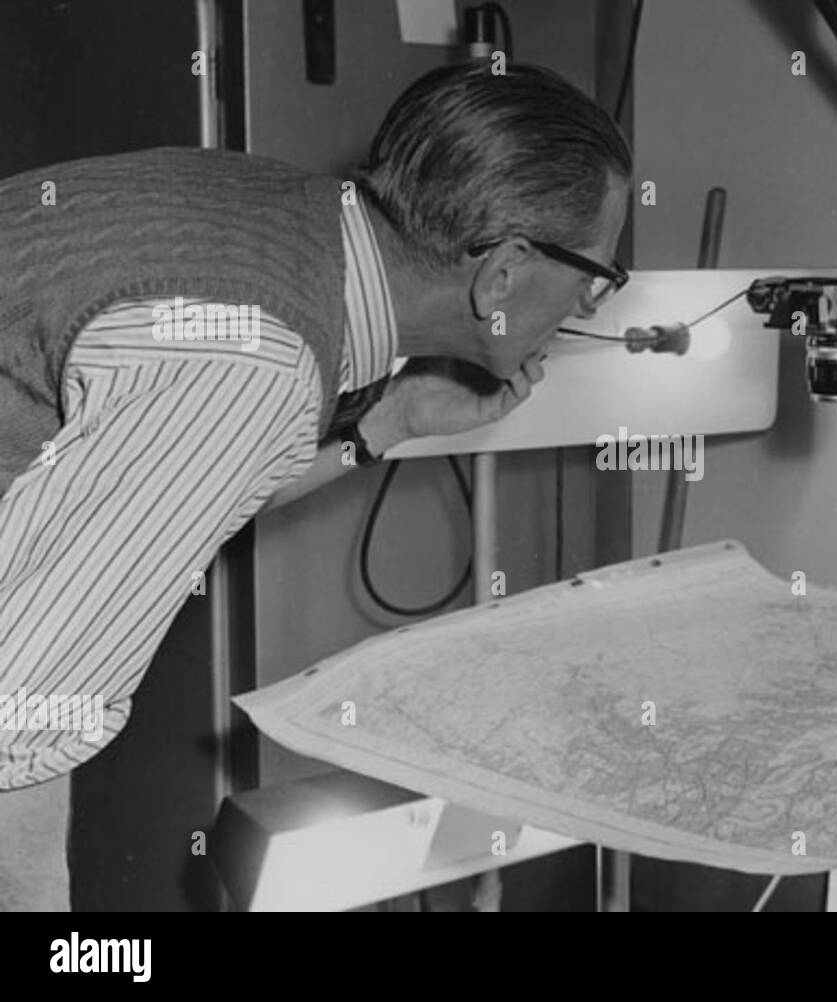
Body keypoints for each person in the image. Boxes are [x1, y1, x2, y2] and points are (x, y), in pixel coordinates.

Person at [0, 60, 631, 910]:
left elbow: (163, 490)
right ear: (504, 276)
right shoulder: (254, 362)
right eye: (594, 275)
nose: (590, 301)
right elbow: (17, 717)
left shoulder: (282, 214)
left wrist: (391, 423)